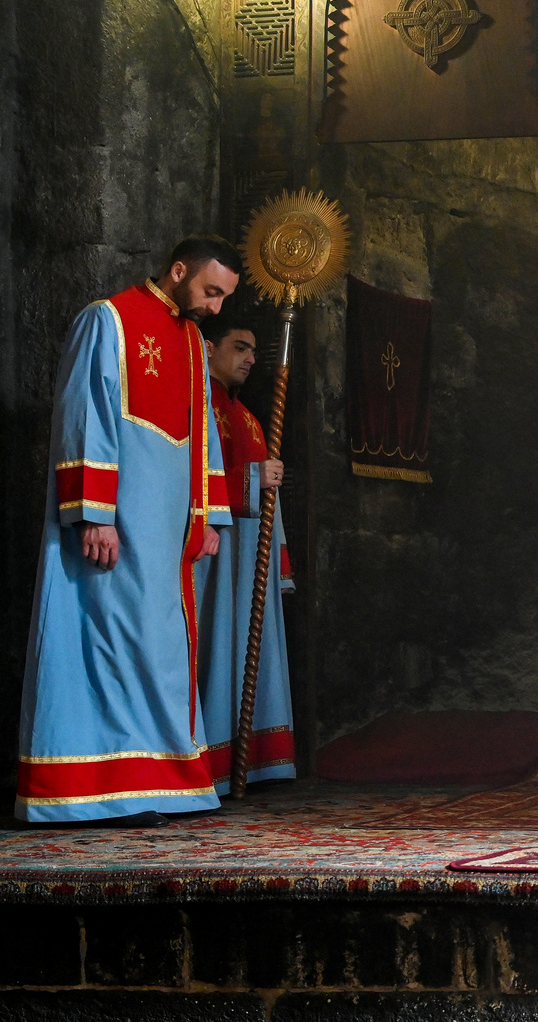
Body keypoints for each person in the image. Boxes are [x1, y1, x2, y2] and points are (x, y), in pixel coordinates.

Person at [16, 236, 240, 826]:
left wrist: (210, 515)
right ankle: (103, 783)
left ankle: (157, 781)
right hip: (115, 521)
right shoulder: (108, 320)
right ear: (177, 271)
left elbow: (205, 435)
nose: (216, 307)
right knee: (107, 643)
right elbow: (85, 411)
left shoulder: (191, 340)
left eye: (224, 297)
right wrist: (94, 512)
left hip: (167, 529)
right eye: (210, 291)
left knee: (161, 648)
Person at [194, 311, 297, 793]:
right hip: (216, 556)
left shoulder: (249, 417)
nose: (251, 358)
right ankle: (213, 761)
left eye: (255, 351)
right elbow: (189, 482)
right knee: (218, 647)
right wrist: (255, 480)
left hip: (247, 554)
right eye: (240, 347)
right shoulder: (198, 405)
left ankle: (254, 757)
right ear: (209, 348)